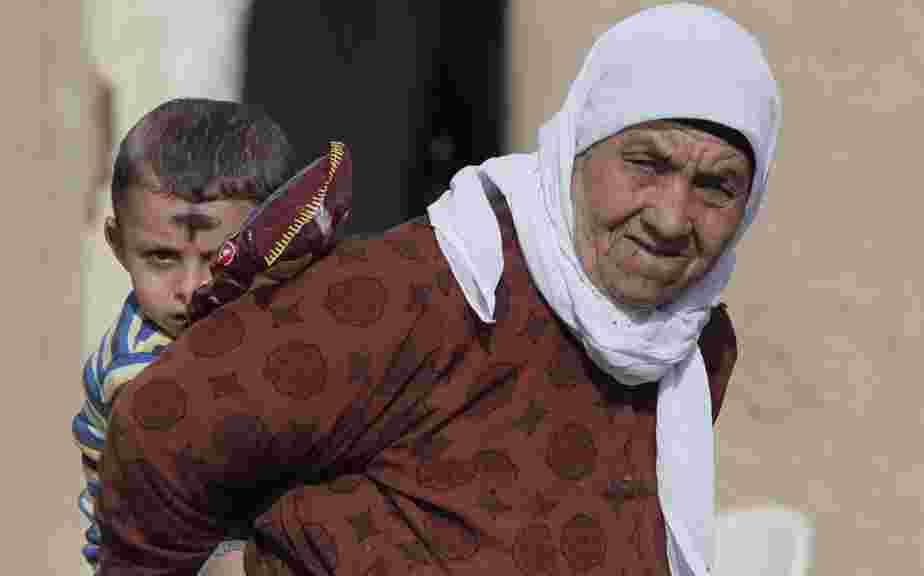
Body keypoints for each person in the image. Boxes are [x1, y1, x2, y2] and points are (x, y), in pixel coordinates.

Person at [96, 3, 780, 575]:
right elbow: (162, 427)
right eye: (645, 163)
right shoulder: (427, 290)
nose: (670, 217)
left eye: (717, 186)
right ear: (579, 145)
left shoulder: (692, 354)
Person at [73, 98, 295, 573]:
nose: (191, 288)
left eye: (220, 260)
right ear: (118, 246)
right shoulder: (141, 372)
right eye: (161, 258)